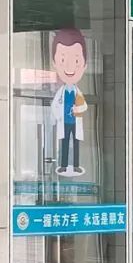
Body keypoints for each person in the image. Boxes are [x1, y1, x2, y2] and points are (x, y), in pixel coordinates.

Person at [49, 27, 88, 177]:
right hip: (64, 121)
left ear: (84, 65)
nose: (70, 67)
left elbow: (84, 106)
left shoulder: (77, 92)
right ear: (55, 63)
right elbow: (54, 106)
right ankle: (64, 165)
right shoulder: (61, 92)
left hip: (74, 122)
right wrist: (58, 116)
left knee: (76, 143)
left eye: (76, 61)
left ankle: (76, 165)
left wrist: (77, 110)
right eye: (63, 60)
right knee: (65, 143)